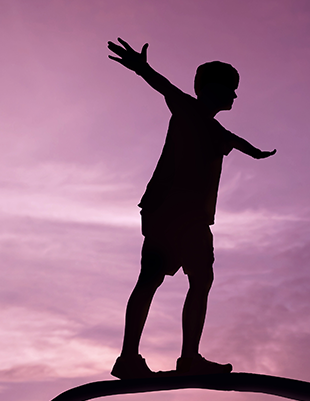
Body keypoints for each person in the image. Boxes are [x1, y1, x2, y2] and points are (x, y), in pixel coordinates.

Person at [106, 38, 275, 379]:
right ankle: (137, 358)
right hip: (171, 213)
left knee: (195, 279)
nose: (234, 95)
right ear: (209, 89)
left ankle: (183, 358)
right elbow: (164, 86)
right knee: (157, 279)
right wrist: (142, 67)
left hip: (188, 218)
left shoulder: (217, 130)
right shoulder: (187, 109)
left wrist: (255, 152)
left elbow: (236, 141)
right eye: (229, 88)